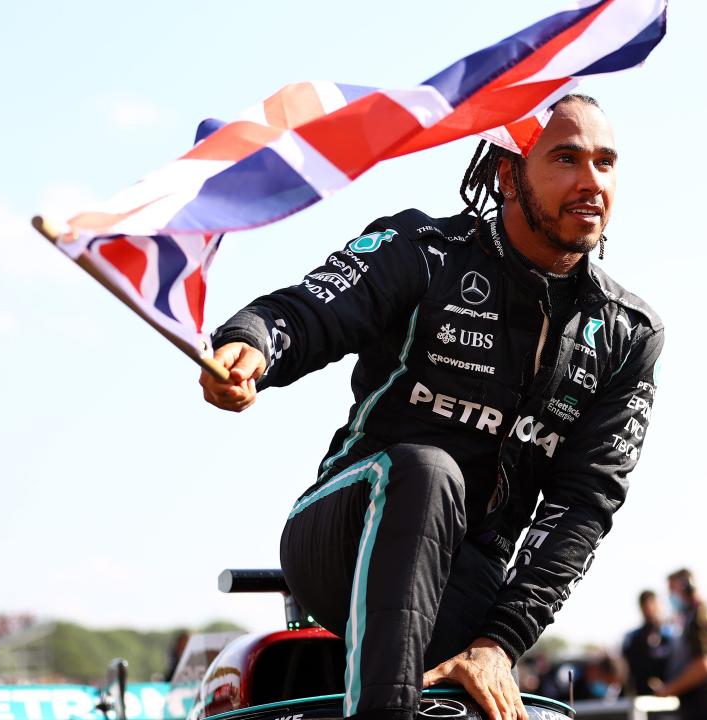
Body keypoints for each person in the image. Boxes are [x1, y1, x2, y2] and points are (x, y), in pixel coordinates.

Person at [199, 94, 664, 720]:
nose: (591, 182)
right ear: (507, 175)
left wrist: (498, 643)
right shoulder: (425, 250)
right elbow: (305, 310)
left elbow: (582, 505)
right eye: (565, 159)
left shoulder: (628, 332)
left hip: (470, 581)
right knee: (426, 469)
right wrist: (251, 344)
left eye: (605, 163)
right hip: (342, 533)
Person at [654, 569, 707, 720]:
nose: (670, 596)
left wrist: (669, 689)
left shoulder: (697, 617)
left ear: (686, 587)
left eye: (672, 590)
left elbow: (706, 664)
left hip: (704, 707)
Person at [622, 590, 672, 696]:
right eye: (645, 605)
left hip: (671, 695)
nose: (649, 609)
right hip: (641, 696)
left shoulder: (671, 636)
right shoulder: (632, 639)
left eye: (652, 604)